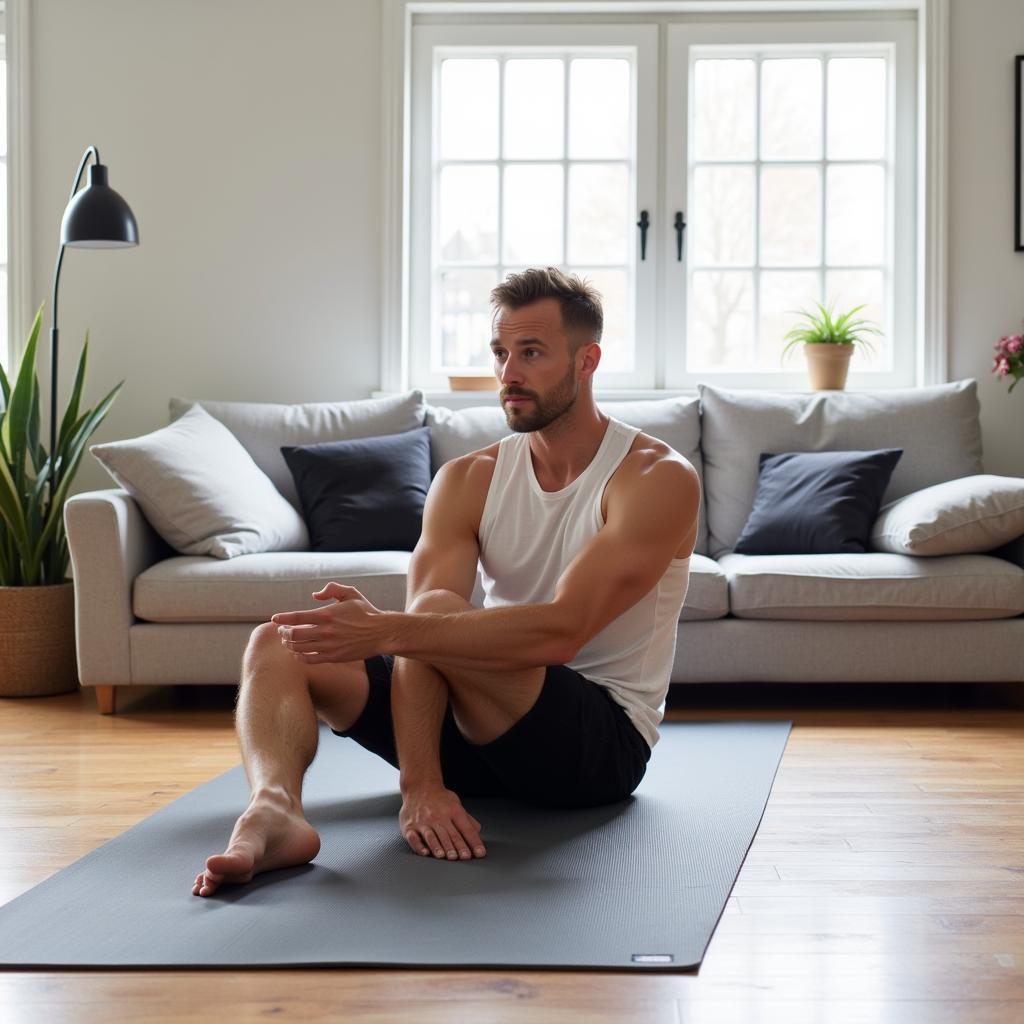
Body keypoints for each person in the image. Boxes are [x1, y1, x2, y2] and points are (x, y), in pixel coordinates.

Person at [192, 267, 700, 898]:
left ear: (587, 359)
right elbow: (424, 636)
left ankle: (419, 779)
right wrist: (422, 785)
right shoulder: (468, 478)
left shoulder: (653, 477)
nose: (509, 372)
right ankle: (274, 812)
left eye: (532, 353)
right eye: (501, 353)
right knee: (280, 641)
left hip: (591, 747)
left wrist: (384, 629)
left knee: (432, 616)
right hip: (472, 727)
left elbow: (562, 633)